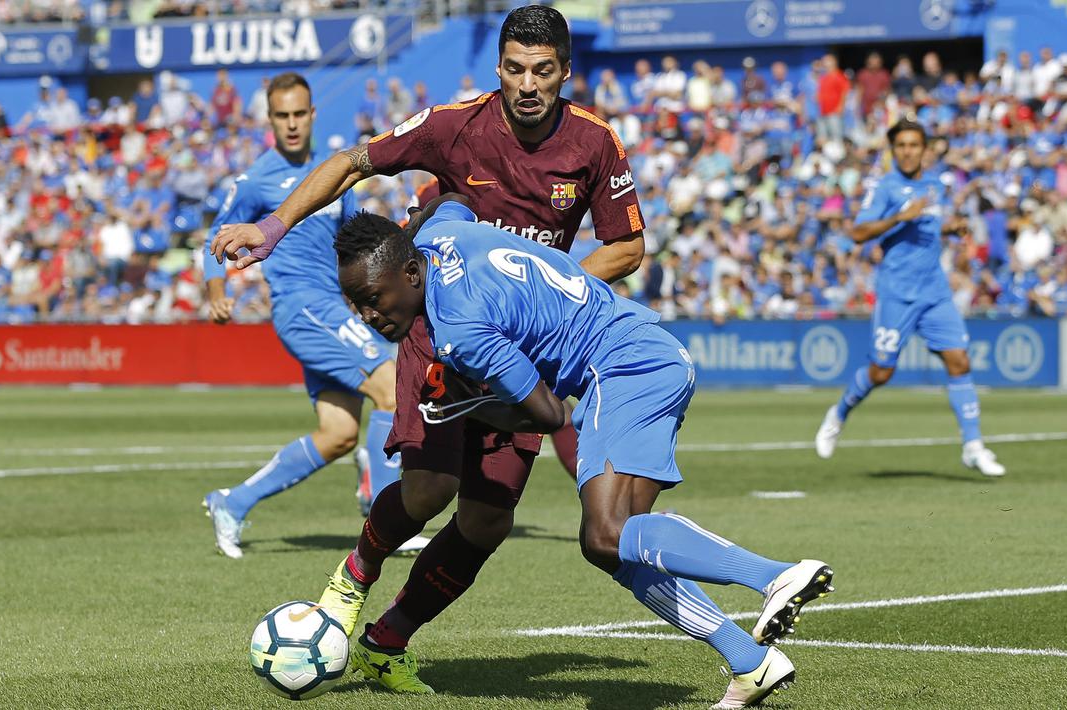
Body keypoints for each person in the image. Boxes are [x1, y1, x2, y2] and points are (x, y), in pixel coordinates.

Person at [210, 5, 646, 693]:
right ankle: (349, 585)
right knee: (428, 489)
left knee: (486, 518)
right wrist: (272, 225)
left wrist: (546, 287)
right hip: (439, 331)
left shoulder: (594, 143)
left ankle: (387, 641)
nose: (526, 84)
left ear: (564, 72)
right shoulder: (454, 124)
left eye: (542, 71)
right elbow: (352, 161)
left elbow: (626, 245)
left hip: (522, 349)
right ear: (497, 68)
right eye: (513, 69)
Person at [334, 198, 834, 708]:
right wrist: (415, 223)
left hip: (620, 367)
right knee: (608, 548)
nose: (370, 314)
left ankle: (773, 575)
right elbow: (453, 203)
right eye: (357, 303)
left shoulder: (461, 330)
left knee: (607, 532)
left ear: (412, 271)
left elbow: (551, 416)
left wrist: (467, 406)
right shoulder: (443, 235)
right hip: (651, 352)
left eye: (375, 297)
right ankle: (749, 662)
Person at [199, 72, 427, 559]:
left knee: (340, 434)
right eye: (282, 116)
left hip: (331, 308)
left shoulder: (330, 177)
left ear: (312, 114)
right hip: (303, 309)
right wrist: (217, 291)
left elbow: (354, 242)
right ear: (270, 119)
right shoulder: (258, 179)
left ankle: (231, 503)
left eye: (299, 114)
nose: (292, 124)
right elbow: (213, 237)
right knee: (392, 387)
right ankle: (387, 514)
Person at [814, 118, 1007, 477]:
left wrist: (949, 227)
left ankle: (974, 445)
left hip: (934, 291)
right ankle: (838, 413)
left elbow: (929, 225)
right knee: (882, 372)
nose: (907, 151)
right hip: (897, 293)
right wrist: (902, 217)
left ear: (925, 150)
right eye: (900, 145)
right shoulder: (886, 187)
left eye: (914, 145)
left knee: (959, 361)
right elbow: (858, 231)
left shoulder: (935, 186)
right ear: (893, 150)